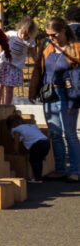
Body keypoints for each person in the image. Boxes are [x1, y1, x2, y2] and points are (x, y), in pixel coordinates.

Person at [29, 19, 80, 182]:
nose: (51, 38)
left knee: (70, 134)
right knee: (55, 134)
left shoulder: (76, 48)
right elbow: (38, 69)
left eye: (54, 35)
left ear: (64, 31)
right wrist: (33, 91)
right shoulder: (47, 47)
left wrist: (72, 81)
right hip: (50, 94)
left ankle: (76, 170)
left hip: (68, 95)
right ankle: (60, 169)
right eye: (48, 35)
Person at [5, 113, 51, 183]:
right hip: (46, 142)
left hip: (37, 144)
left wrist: (16, 151)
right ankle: (39, 177)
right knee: (39, 160)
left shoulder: (16, 129)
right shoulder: (30, 126)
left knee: (33, 161)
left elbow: (16, 142)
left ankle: (37, 178)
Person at [2, 17, 34, 107]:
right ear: (19, 28)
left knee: (9, 88)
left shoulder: (31, 42)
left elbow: (33, 54)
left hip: (15, 67)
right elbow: (1, 36)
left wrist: (37, 64)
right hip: (5, 63)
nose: (23, 36)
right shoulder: (12, 34)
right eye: (22, 33)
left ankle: (7, 106)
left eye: (27, 35)